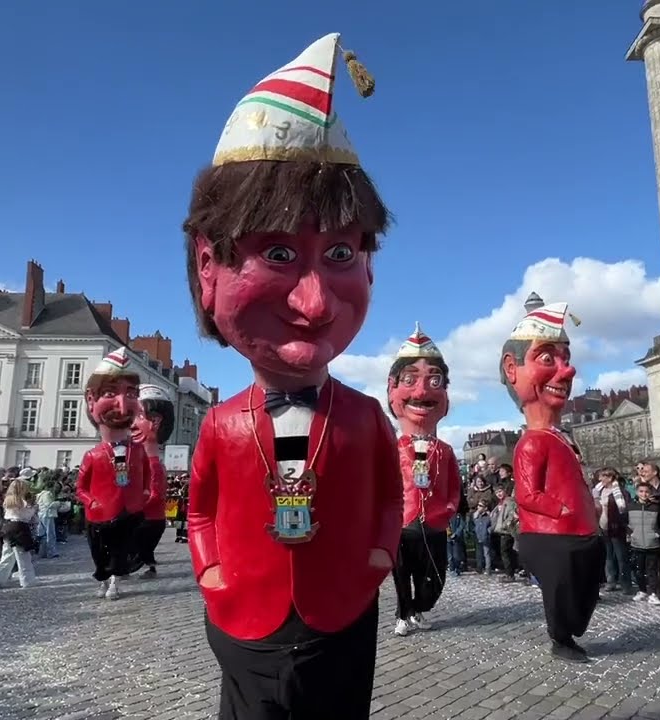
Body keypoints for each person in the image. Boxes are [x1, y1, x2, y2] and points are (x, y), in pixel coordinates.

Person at [183, 32, 401, 719]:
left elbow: (390, 497)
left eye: (339, 251)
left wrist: (378, 559)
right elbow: (200, 509)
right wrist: (211, 569)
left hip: (342, 608)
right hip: (243, 611)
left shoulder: (366, 416)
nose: (312, 302)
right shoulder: (220, 422)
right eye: (277, 252)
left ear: (369, 266)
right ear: (207, 268)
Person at [498, 300, 604, 663]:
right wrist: (561, 508)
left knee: (585, 590)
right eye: (548, 358)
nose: (567, 369)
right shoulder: (532, 442)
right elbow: (527, 494)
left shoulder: (561, 437)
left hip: (581, 533)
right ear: (513, 370)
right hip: (553, 536)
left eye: (565, 357)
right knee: (563, 594)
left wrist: (589, 507)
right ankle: (561, 639)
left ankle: (568, 634)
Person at [386, 323, 460, 637]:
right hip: (402, 525)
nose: (421, 391)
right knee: (402, 574)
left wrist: (448, 510)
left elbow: (455, 486)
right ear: (392, 389)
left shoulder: (444, 450)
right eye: (409, 380)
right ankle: (405, 615)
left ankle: (419, 606)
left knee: (435, 578)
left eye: (433, 380)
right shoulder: (390, 449)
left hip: (433, 524)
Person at [77, 350, 150, 601]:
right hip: (98, 513)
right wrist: (91, 501)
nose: (122, 404)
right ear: (91, 400)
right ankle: (102, 577)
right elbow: (81, 487)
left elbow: (148, 476)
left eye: (131, 394)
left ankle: (114, 582)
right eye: (110, 393)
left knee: (121, 551)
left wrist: (145, 493)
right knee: (99, 552)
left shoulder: (138, 451)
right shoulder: (93, 455)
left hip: (128, 511)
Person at [133, 384, 175, 578]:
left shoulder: (153, 464)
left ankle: (144, 567)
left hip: (148, 518)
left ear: (155, 422)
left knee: (139, 547)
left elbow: (156, 494)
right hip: (148, 517)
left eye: (137, 416)